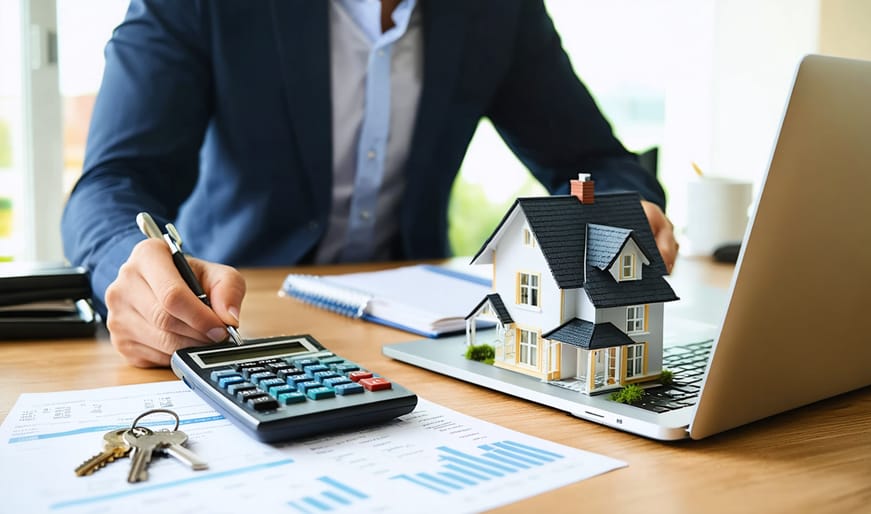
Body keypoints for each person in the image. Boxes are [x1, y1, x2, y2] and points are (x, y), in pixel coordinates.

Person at [62, 0, 679, 367]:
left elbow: (595, 159)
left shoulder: (496, 9)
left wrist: (631, 208)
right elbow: (114, 182)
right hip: (241, 327)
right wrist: (131, 264)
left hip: (424, 347)